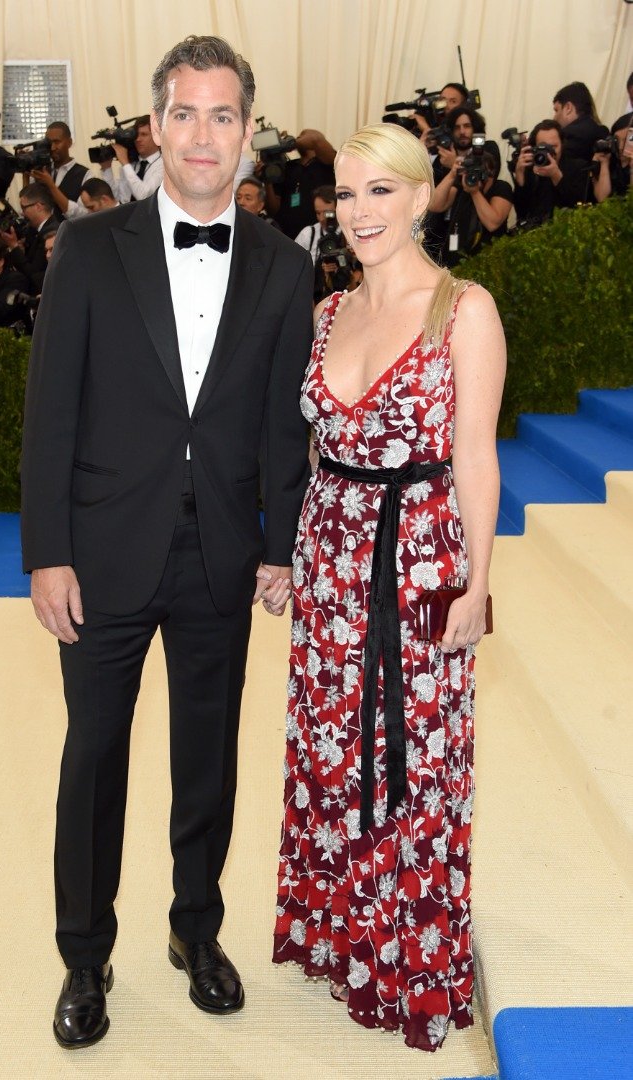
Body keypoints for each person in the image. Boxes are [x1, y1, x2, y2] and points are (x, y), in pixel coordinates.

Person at [20, 34, 313, 1049]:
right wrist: (45, 550)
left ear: (247, 132)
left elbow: (284, 419)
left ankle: (197, 929)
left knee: (208, 755)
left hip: (220, 556)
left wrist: (281, 541)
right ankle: (84, 956)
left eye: (222, 115)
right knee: (93, 757)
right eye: (184, 114)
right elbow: (51, 407)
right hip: (100, 554)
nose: (202, 135)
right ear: (155, 129)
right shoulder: (92, 248)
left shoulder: (282, 264)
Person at [272, 122, 506, 1051]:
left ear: (419, 198)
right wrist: (286, 554)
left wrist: (477, 582)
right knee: (332, 749)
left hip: (416, 561)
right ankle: (338, 933)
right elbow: (310, 450)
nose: (360, 212)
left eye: (382, 192)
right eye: (346, 192)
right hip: (329, 557)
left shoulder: (463, 309)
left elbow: (476, 458)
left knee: (411, 761)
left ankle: (406, 951)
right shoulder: (327, 313)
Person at [553, 81, 608, 161]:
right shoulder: (602, 132)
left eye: (556, 110)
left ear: (568, 108)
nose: (554, 118)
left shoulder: (569, 136)